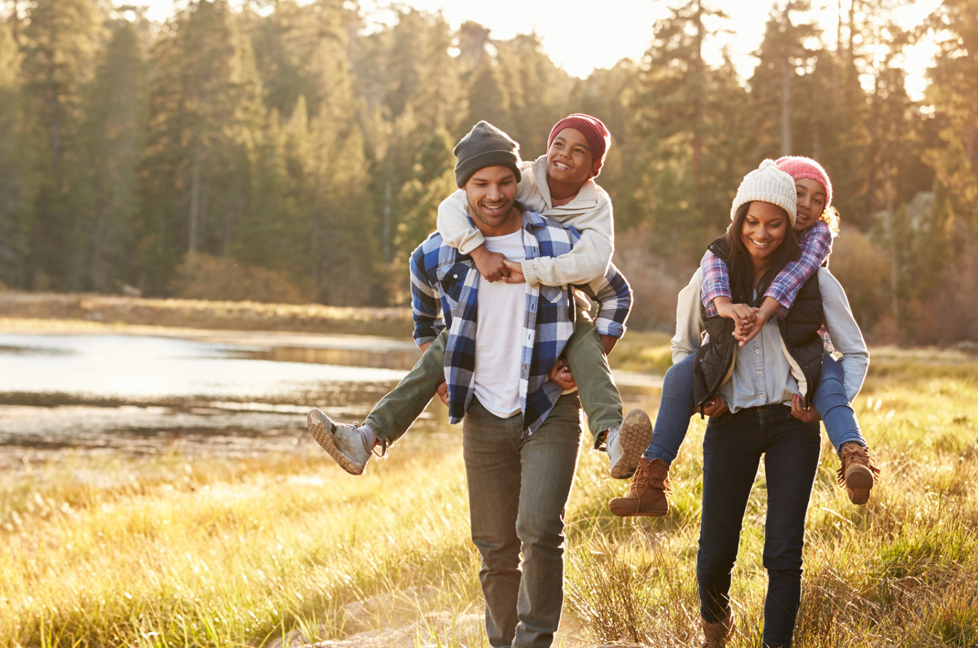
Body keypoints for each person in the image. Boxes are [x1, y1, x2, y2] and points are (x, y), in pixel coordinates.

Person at [336, 121, 590, 647]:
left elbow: (617, 294)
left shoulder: (556, 240)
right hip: (481, 412)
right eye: (481, 184)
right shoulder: (432, 254)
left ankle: (534, 641)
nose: (494, 194)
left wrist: (589, 356)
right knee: (495, 545)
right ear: (463, 188)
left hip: (548, 405)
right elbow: (425, 325)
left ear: (517, 182)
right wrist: (436, 380)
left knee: (541, 530)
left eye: (504, 182)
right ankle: (503, 643)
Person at [308, 114, 650, 480]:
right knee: (447, 345)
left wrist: (578, 358)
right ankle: (365, 437)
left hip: (563, 309)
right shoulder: (520, 180)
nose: (563, 154)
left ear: (595, 167)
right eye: (558, 144)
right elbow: (452, 208)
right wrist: (477, 251)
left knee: (584, 341)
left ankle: (613, 437)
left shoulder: (594, 210)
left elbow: (601, 267)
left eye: (579, 150)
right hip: (487, 311)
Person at [634, 161, 868, 647]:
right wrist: (707, 397)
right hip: (732, 424)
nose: (762, 233)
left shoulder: (815, 282)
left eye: (775, 223)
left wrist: (828, 403)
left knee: (784, 552)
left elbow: (854, 351)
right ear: (740, 220)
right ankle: (715, 632)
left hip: (792, 426)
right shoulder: (711, 279)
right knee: (715, 553)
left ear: (788, 227)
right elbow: (683, 351)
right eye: (753, 222)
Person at [608, 156, 879, 518]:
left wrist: (763, 312)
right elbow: (692, 322)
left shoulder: (812, 256)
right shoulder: (721, 257)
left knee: (829, 382)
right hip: (731, 390)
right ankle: (652, 477)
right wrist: (706, 389)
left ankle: (854, 454)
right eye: (799, 194)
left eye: (818, 200)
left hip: (804, 364)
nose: (807, 206)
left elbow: (796, 279)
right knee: (677, 377)